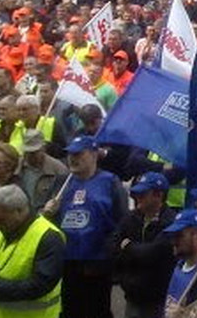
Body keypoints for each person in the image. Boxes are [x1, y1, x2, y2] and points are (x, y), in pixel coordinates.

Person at [44, 135, 129, 318]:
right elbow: (49, 222)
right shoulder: (62, 182)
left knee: (96, 310)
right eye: (70, 154)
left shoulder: (110, 182)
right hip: (66, 262)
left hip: (96, 262)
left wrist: (109, 253)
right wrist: (48, 213)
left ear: (93, 155)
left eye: (78, 154)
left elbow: (122, 220)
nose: (72, 158)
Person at [0, 184, 67, 318]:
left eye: (1, 220)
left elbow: (42, 284)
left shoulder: (48, 237)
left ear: (19, 211)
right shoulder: (1, 230)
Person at [111, 172, 176, 318]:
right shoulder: (131, 218)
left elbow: (152, 253)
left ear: (158, 195)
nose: (137, 198)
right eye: (136, 193)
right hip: (132, 296)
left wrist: (127, 247)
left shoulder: (170, 222)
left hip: (157, 300)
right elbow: (113, 245)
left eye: (143, 194)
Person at [163, 209, 197, 315]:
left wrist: (184, 315)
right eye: (172, 236)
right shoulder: (179, 266)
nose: (173, 241)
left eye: (179, 235)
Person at [18, 129, 67, 212]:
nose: (30, 155)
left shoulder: (58, 169)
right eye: (28, 152)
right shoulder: (18, 167)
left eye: (34, 152)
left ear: (43, 148)